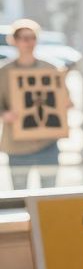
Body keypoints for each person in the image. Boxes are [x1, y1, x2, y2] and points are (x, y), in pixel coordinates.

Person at [0, 19, 68, 190]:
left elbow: (65, 99)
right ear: (14, 41)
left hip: (47, 143)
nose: (29, 42)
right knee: (20, 195)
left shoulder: (51, 69)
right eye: (24, 38)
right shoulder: (4, 72)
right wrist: (4, 114)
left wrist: (64, 105)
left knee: (48, 196)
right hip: (17, 145)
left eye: (32, 38)